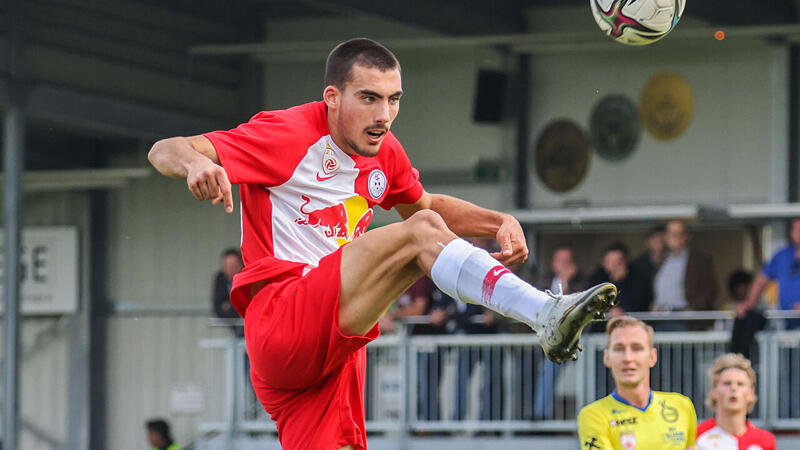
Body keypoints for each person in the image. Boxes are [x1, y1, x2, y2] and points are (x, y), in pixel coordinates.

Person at [148, 38, 617, 449]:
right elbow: (164, 149)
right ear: (332, 97)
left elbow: (424, 203)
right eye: (369, 98)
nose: (384, 115)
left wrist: (498, 220)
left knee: (423, 227)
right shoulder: (287, 132)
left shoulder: (384, 151)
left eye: (394, 100)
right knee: (421, 234)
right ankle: (544, 313)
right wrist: (194, 164)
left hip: (333, 350)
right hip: (284, 314)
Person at [578, 316, 698, 450]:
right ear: (607, 357)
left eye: (637, 348)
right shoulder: (593, 415)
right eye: (619, 348)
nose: (628, 358)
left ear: (652, 357)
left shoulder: (681, 405)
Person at [534, 246, 589, 420]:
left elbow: (576, 307)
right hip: (544, 340)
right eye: (561, 262)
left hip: (574, 341)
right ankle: (538, 414)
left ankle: (544, 414)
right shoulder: (543, 281)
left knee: (555, 365)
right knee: (537, 368)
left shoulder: (581, 283)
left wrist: (567, 283)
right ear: (553, 264)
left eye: (568, 262)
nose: (565, 265)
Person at [696, 353, 776, 450]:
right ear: (714, 391)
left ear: (751, 393)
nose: (734, 388)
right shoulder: (696, 436)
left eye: (740, 384)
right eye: (727, 383)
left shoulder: (766, 440)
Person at [652, 219, 718, 331]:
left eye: (679, 234)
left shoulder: (699, 260)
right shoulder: (662, 259)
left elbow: (710, 289)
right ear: (666, 237)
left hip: (684, 319)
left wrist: (695, 309)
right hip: (661, 318)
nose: (675, 238)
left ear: (687, 236)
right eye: (672, 234)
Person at [738, 217, 800, 329]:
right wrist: (749, 303)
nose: (797, 233)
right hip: (787, 327)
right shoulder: (783, 255)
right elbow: (761, 280)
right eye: (795, 229)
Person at [590, 242, 653, 316]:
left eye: (619, 262)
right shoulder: (597, 278)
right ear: (603, 263)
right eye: (610, 261)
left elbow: (637, 303)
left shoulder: (638, 277)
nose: (615, 265)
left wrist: (619, 281)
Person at [726, 270, 765, 360]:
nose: (748, 289)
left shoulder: (759, 308)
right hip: (735, 356)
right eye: (744, 286)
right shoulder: (728, 307)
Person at [212, 248, 245, 336]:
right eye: (228, 266)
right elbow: (217, 306)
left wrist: (229, 306)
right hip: (230, 328)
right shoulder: (220, 279)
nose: (231, 269)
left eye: (234, 265)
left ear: (241, 265)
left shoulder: (246, 278)